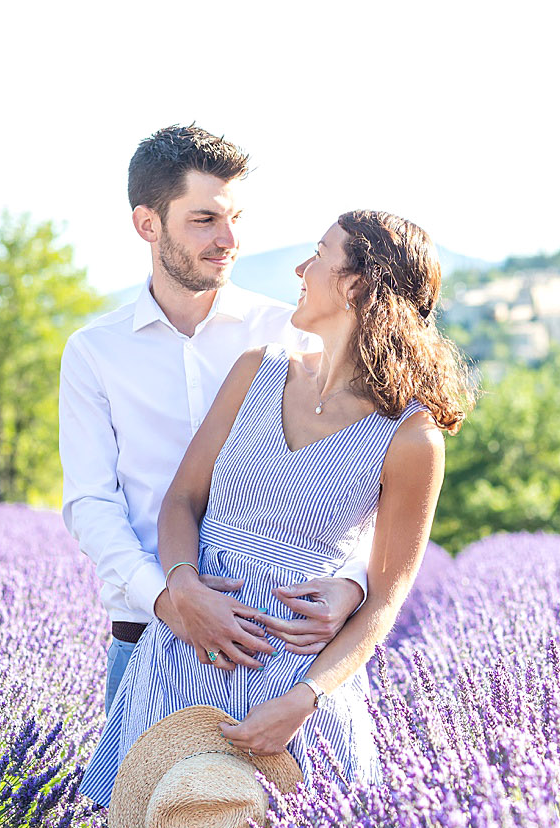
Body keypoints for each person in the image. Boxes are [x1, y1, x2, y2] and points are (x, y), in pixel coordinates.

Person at [81, 209, 475, 828]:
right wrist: (182, 587)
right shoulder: (258, 370)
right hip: (188, 654)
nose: (299, 271)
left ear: (357, 284)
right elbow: (181, 505)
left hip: (296, 687)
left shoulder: (411, 437)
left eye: (318, 257)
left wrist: (304, 699)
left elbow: (387, 597)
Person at [60, 125, 371, 727]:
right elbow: (91, 504)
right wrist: (172, 599)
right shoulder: (95, 352)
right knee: (149, 819)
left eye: (234, 219)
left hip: (284, 643)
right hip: (147, 634)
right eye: (204, 220)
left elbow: (366, 478)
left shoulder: (295, 331)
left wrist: (351, 586)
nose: (228, 240)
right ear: (147, 224)